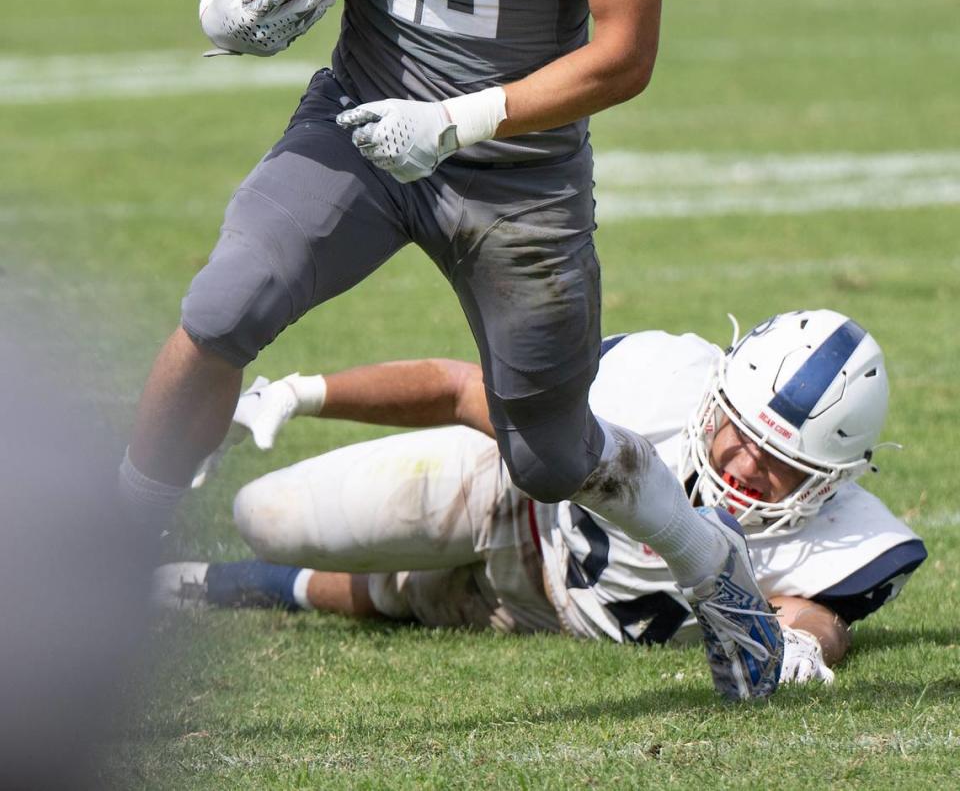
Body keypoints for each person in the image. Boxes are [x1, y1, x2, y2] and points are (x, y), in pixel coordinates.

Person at [120, 0, 782, 699]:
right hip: (362, 117)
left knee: (548, 451)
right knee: (224, 303)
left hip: (515, 168)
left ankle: (717, 569)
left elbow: (623, 55)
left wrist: (468, 120)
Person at [156, 309, 927, 687]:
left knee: (391, 600)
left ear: (833, 480)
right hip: (515, 496)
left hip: (550, 609)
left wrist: (803, 650)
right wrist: (304, 393)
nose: (745, 463)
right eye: (739, 431)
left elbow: (817, 618)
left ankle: (209, 585)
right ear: (715, 393)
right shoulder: (648, 382)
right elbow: (464, 388)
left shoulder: (852, 537)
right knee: (266, 514)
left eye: (782, 463)